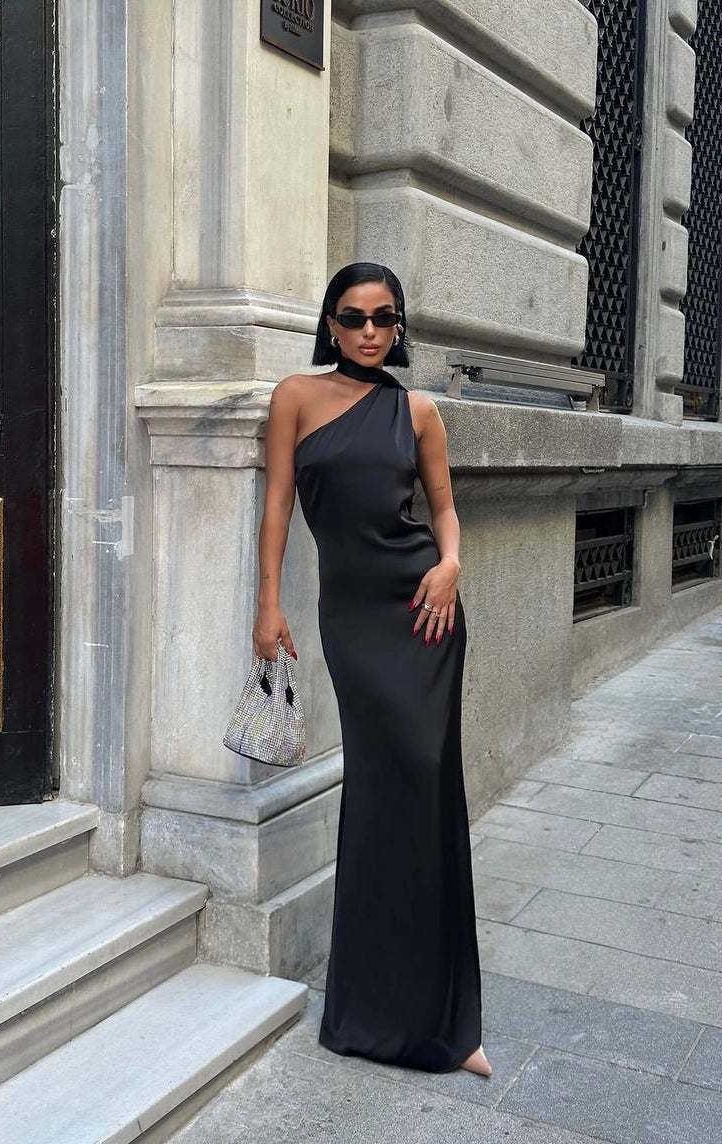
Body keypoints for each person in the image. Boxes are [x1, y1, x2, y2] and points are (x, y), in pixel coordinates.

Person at [253, 261, 492, 1077]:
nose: (368, 332)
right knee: (380, 789)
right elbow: (278, 502)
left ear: (399, 327)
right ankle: (368, 1011)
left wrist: (452, 564)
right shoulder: (295, 396)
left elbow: (445, 509)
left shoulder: (418, 410)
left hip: (425, 610)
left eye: (383, 319)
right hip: (354, 622)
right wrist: (267, 603)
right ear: (329, 322)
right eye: (353, 317)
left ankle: (448, 1022)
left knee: (426, 784)